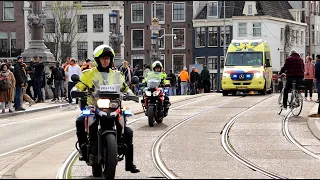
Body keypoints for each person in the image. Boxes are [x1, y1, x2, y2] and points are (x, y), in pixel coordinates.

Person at [72, 45, 140, 173]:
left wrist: (131, 94)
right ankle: (83, 150)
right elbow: (79, 85)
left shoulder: (117, 74)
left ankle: (129, 164)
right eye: (103, 58)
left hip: (114, 106)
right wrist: (76, 90)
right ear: (97, 60)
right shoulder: (89, 74)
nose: (105, 61)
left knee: (128, 132)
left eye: (108, 58)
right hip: (94, 106)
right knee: (80, 121)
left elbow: (125, 88)